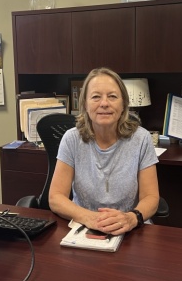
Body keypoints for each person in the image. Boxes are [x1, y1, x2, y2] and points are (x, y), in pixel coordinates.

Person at [49, 67, 160, 236]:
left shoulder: (141, 139)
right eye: (95, 97)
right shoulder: (72, 139)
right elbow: (56, 197)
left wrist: (131, 218)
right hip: (83, 228)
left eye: (112, 96)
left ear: (123, 104)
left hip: (130, 230)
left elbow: (151, 198)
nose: (104, 103)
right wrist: (91, 218)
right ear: (85, 104)